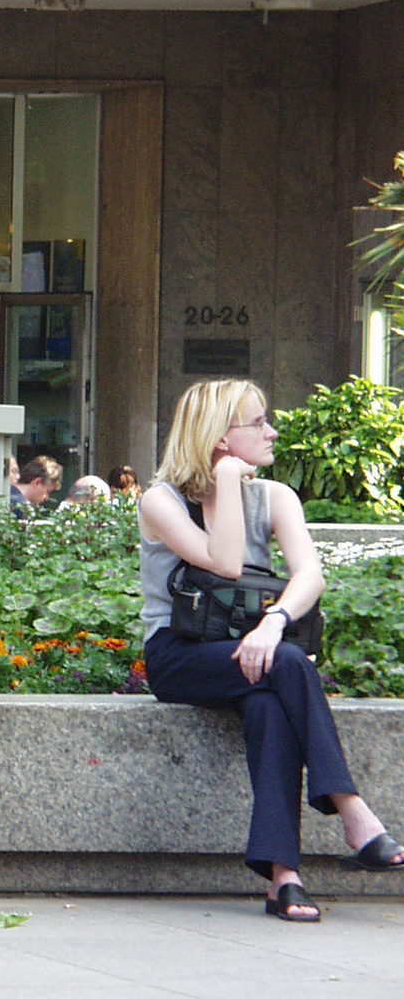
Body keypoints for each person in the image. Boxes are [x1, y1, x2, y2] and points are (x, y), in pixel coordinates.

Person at [138, 379, 404, 923]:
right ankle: (352, 811)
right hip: (181, 654)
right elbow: (227, 561)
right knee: (285, 665)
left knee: (269, 701)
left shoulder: (276, 497)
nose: (272, 431)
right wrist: (229, 481)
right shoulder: (160, 502)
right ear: (217, 438)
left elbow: (310, 576)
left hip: (256, 652)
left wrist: (275, 621)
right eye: (257, 423)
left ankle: (284, 877)